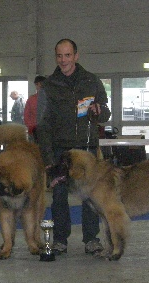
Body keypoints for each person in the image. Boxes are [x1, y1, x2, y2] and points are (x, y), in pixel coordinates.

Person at [37, 39, 111, 255]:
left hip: (86, 149)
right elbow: (42, 125)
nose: (63, 60)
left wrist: (99, 111)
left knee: (90, 196)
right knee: (59, 197)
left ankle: (91, 239)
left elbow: (105, 112)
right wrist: (48, 159)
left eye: (67, 55)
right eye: (59, 56)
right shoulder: (48, 86)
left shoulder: (92, 81)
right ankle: (60, 240)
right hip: (60, 151)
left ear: (76, 56)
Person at [24, 75, 46, 142]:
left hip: (49, 131)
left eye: (41, 84)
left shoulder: (52, 99)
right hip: (34, 131)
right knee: (34, 149)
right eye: (37, 84)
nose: (39, 86)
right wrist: (31, 127)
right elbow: (26, 115)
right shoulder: (31, 99)